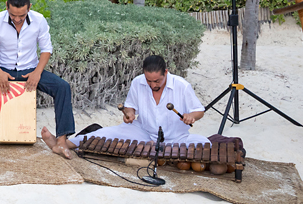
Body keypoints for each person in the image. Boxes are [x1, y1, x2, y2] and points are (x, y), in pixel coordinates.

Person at [0, 0, 75, 158]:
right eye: (13, 15)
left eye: (21, 16)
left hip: (31, 69)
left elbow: (46, 49)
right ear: (7, 7)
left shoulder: (39, 20)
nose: (17, 19)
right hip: (3, 69)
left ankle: (61, 142)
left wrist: (37, 72)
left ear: (29, 8)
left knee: (62, 87)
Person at [45, 54, 209, 154]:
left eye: (157, 81)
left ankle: (156, 149)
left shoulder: (182, 86)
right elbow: (130, 107)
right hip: (144, 132)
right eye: (149, 80)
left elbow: (199, 111)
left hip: (175, 138)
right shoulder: (138, 82)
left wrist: (190, 116)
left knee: (205, 144)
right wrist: (129, 114)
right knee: (107, 133)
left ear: (166, 73)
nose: (152, 85)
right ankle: (65, 144)